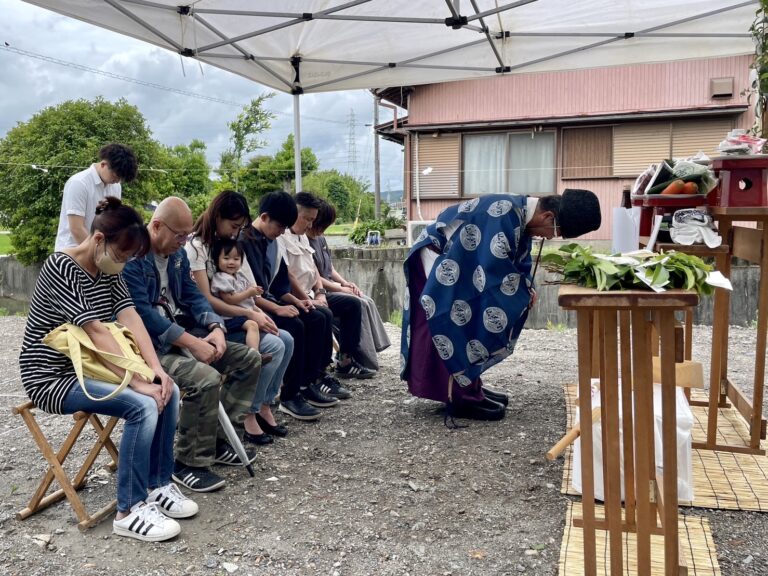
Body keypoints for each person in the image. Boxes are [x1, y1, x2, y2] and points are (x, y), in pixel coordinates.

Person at [20, 197, 197, 542]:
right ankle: (128, 510)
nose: (123, 263)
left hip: (90, 367)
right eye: (121, 255)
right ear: (99, 240)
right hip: (52, 376)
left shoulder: (107, 270)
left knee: (168, 389)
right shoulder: (61, 266)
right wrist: (135, 380)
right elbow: (96, 332)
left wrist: (156, 370)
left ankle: (158, 484)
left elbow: (131, 318)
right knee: (142, 404)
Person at [401, 189, 601, 423]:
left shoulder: (521, 214)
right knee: (457, 320)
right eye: (556, 232)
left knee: (472, 318)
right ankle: (460, 396)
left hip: (461, 260)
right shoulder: (503, 213)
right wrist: (520, 292)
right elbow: (490, 270)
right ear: (547, 216)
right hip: (441, 257)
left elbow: (516, 259)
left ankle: (471, 387)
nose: (550, 237)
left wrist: (527, 287)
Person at [122, 197, 262, 492]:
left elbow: (194, 296)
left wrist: (215, 327)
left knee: (248, 359)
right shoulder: (132, 258)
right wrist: (192, 343)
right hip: (151, 351)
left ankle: (217, 440)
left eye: (187, 235)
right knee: (205, 379)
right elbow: (142, 315)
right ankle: (189, 462)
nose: (184, 241)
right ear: (157, 226)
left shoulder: (177, 257)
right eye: (179, 235)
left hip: (185, 336)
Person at [186, 190, 293, 442]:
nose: (236, 232)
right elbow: (207, 300)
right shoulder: (196, 248)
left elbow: (249, 290)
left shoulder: (229, 245)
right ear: (217, 217)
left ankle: (263, 405)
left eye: (239, 227)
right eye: (233, 225)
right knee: (276, 345)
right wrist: (250, 314)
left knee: (285, 339)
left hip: (233, 316)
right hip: (211, 323)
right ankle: (247, 413)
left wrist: (258, 313)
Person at [241, 191, 348, 422]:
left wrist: (299, 301)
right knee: (295, 326)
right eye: (280, 227)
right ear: (265, 217)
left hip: (273, 301)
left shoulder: (272, 242)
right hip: (254, 306)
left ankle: (309, 381)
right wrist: (279, 308)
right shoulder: (245, 242)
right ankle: (290, 394)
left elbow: (281, 285)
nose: (282, 232)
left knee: (317, 316)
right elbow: (249, 292)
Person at [280, 193, 374, 381]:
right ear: (294, 213)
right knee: (322, 316)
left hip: (312, 293)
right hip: (296, 297)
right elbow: (288, 275)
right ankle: (316, 375)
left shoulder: (303, 237)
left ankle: (345, 361)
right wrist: (309, 299)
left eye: (312, 220)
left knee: (353, 304)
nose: (310, 225)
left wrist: (320, 292)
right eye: (307, 219)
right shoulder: (281, 236)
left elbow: (314, 269)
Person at [307, 199, 391, 373]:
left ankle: (372, 350)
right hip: (318, 291)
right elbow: (315, 277)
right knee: (356, 303)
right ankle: (354, 358)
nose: (322, 230)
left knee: (366, 299)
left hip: (329, 287)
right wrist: (339, 288)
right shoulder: (303, 240)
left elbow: (329, 268)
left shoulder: (320, 238)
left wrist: (344, 282)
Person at [54, 144, 138, 251]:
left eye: (121, 179)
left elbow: (111, 222)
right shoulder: (79, 183)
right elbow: (76, 228)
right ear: (103, 164)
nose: (117, 181)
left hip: (97, 254)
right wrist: (98, 252)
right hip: (71, 253)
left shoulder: (116, 186)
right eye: (115, 176)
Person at [210, 238, 267, 355]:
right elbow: (229, 299)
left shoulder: (240, 276)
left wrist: (254, 293)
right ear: (217, 261)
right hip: (229, 318)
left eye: (236, 259)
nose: (231, 262)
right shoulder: (221, 277)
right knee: (252, 325)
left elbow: (248, 300)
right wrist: (249, 293)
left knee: (263, 321)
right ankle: (254, 355)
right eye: (226, 258)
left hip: (243, 315)